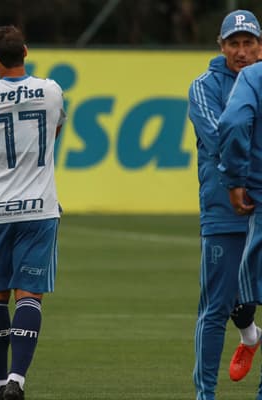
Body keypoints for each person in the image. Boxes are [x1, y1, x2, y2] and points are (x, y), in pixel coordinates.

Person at [0, 25, 65, 400]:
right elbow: (54, 130)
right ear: (25, 50)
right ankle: (17, 382)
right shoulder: (52, 90)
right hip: (40, 207)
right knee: (29, 295)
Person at [188, 9, 261, 400]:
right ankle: (205, 395)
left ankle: (250, 338)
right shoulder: (204, 86)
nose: (242, 51)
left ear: (260, 46)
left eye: (249, 43)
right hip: (223, 208)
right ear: (222, 46)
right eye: (234, 43)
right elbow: (220, 137)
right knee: (216, 306)